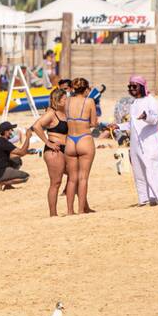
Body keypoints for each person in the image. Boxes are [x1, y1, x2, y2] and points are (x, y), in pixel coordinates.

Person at [125, 75, 158, 205]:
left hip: (150, 143)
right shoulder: (134, 103)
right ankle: (144, 199)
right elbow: (132, 124)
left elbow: (155, 119)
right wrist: (117, 126)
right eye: (130, 86)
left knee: (154, 168)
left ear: (141, 86)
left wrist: (146, 116)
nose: (132, 89)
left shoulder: (151, 100)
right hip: (136, 143)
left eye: (134, 86)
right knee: (139, 171)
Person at [21, 87, 70, 215]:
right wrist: (48, 142)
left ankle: (72, 209)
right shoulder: (51, 113)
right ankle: (53, 213)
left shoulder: (66, 112)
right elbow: (36, 126)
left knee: (74, 175)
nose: (67, 101)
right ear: (58, 101)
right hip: (54, 150)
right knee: (56, 182)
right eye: (65, 99)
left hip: (66, 149)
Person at [62, 77, 98, 215]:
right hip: (84, 138)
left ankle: (70, 211)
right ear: (86, 89)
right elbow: (94, 122)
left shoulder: (67, 101)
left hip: (70, 140)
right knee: (83, 178)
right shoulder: (89, 101)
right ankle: (81, 209)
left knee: (72, 179)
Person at [0, 121, 31, 190]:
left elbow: (13, 155)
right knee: (25, 177)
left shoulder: (0, 140)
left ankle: (8, 186)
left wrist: (28, 152)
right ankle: (0, 183)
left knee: (17, 160)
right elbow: (22, 152)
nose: (12, 132)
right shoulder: (4, 142)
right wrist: (28, 137)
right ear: (6, 132)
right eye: (11, 130)